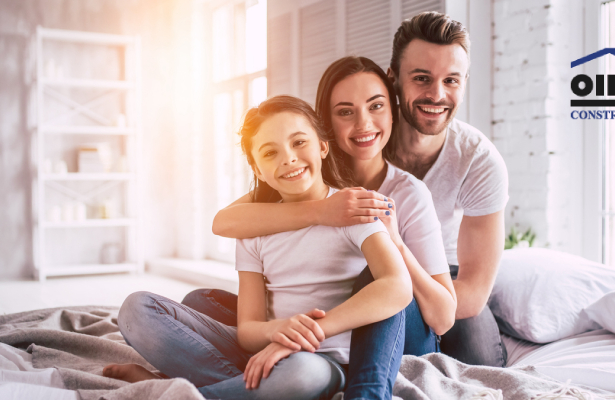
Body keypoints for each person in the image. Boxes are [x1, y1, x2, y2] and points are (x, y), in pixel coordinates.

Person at [102, 95, 413, 400]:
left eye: (299, 142)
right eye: (269, 153)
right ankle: (240, 389)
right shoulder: (256, 229)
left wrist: (304, 336)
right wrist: (276, 330)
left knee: (301, 376)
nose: (288, 158)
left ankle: (167, 392)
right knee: (135, 308)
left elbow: (397, 286)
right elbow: (248, 330)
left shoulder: (352, 209)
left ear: (322, 146)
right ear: (257, 170)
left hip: (322, 361)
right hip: (266, 349)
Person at [194, 56, 457, 395]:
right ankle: (264, 378)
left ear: (392, 111)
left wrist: (396, 244)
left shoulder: (408, 192)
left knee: (374, 276)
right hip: (323, 320)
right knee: (201, 302)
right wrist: (322, 211)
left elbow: (441, 317)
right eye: (346, 111)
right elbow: (224, 222)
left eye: (376, 106)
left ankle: (361, 388)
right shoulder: (300, 175)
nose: (363, 123)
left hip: (393, 328)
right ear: (326, 127)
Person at [385, 11, 509, 366]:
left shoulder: (478, 160)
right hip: (371, 271)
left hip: (445, 277)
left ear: (465, 81)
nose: (437, 95)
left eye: (451, 80)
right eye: (422, 78)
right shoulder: (364, 142)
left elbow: (471, 292)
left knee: (479, 359)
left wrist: (413, 298)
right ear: (393, 77)